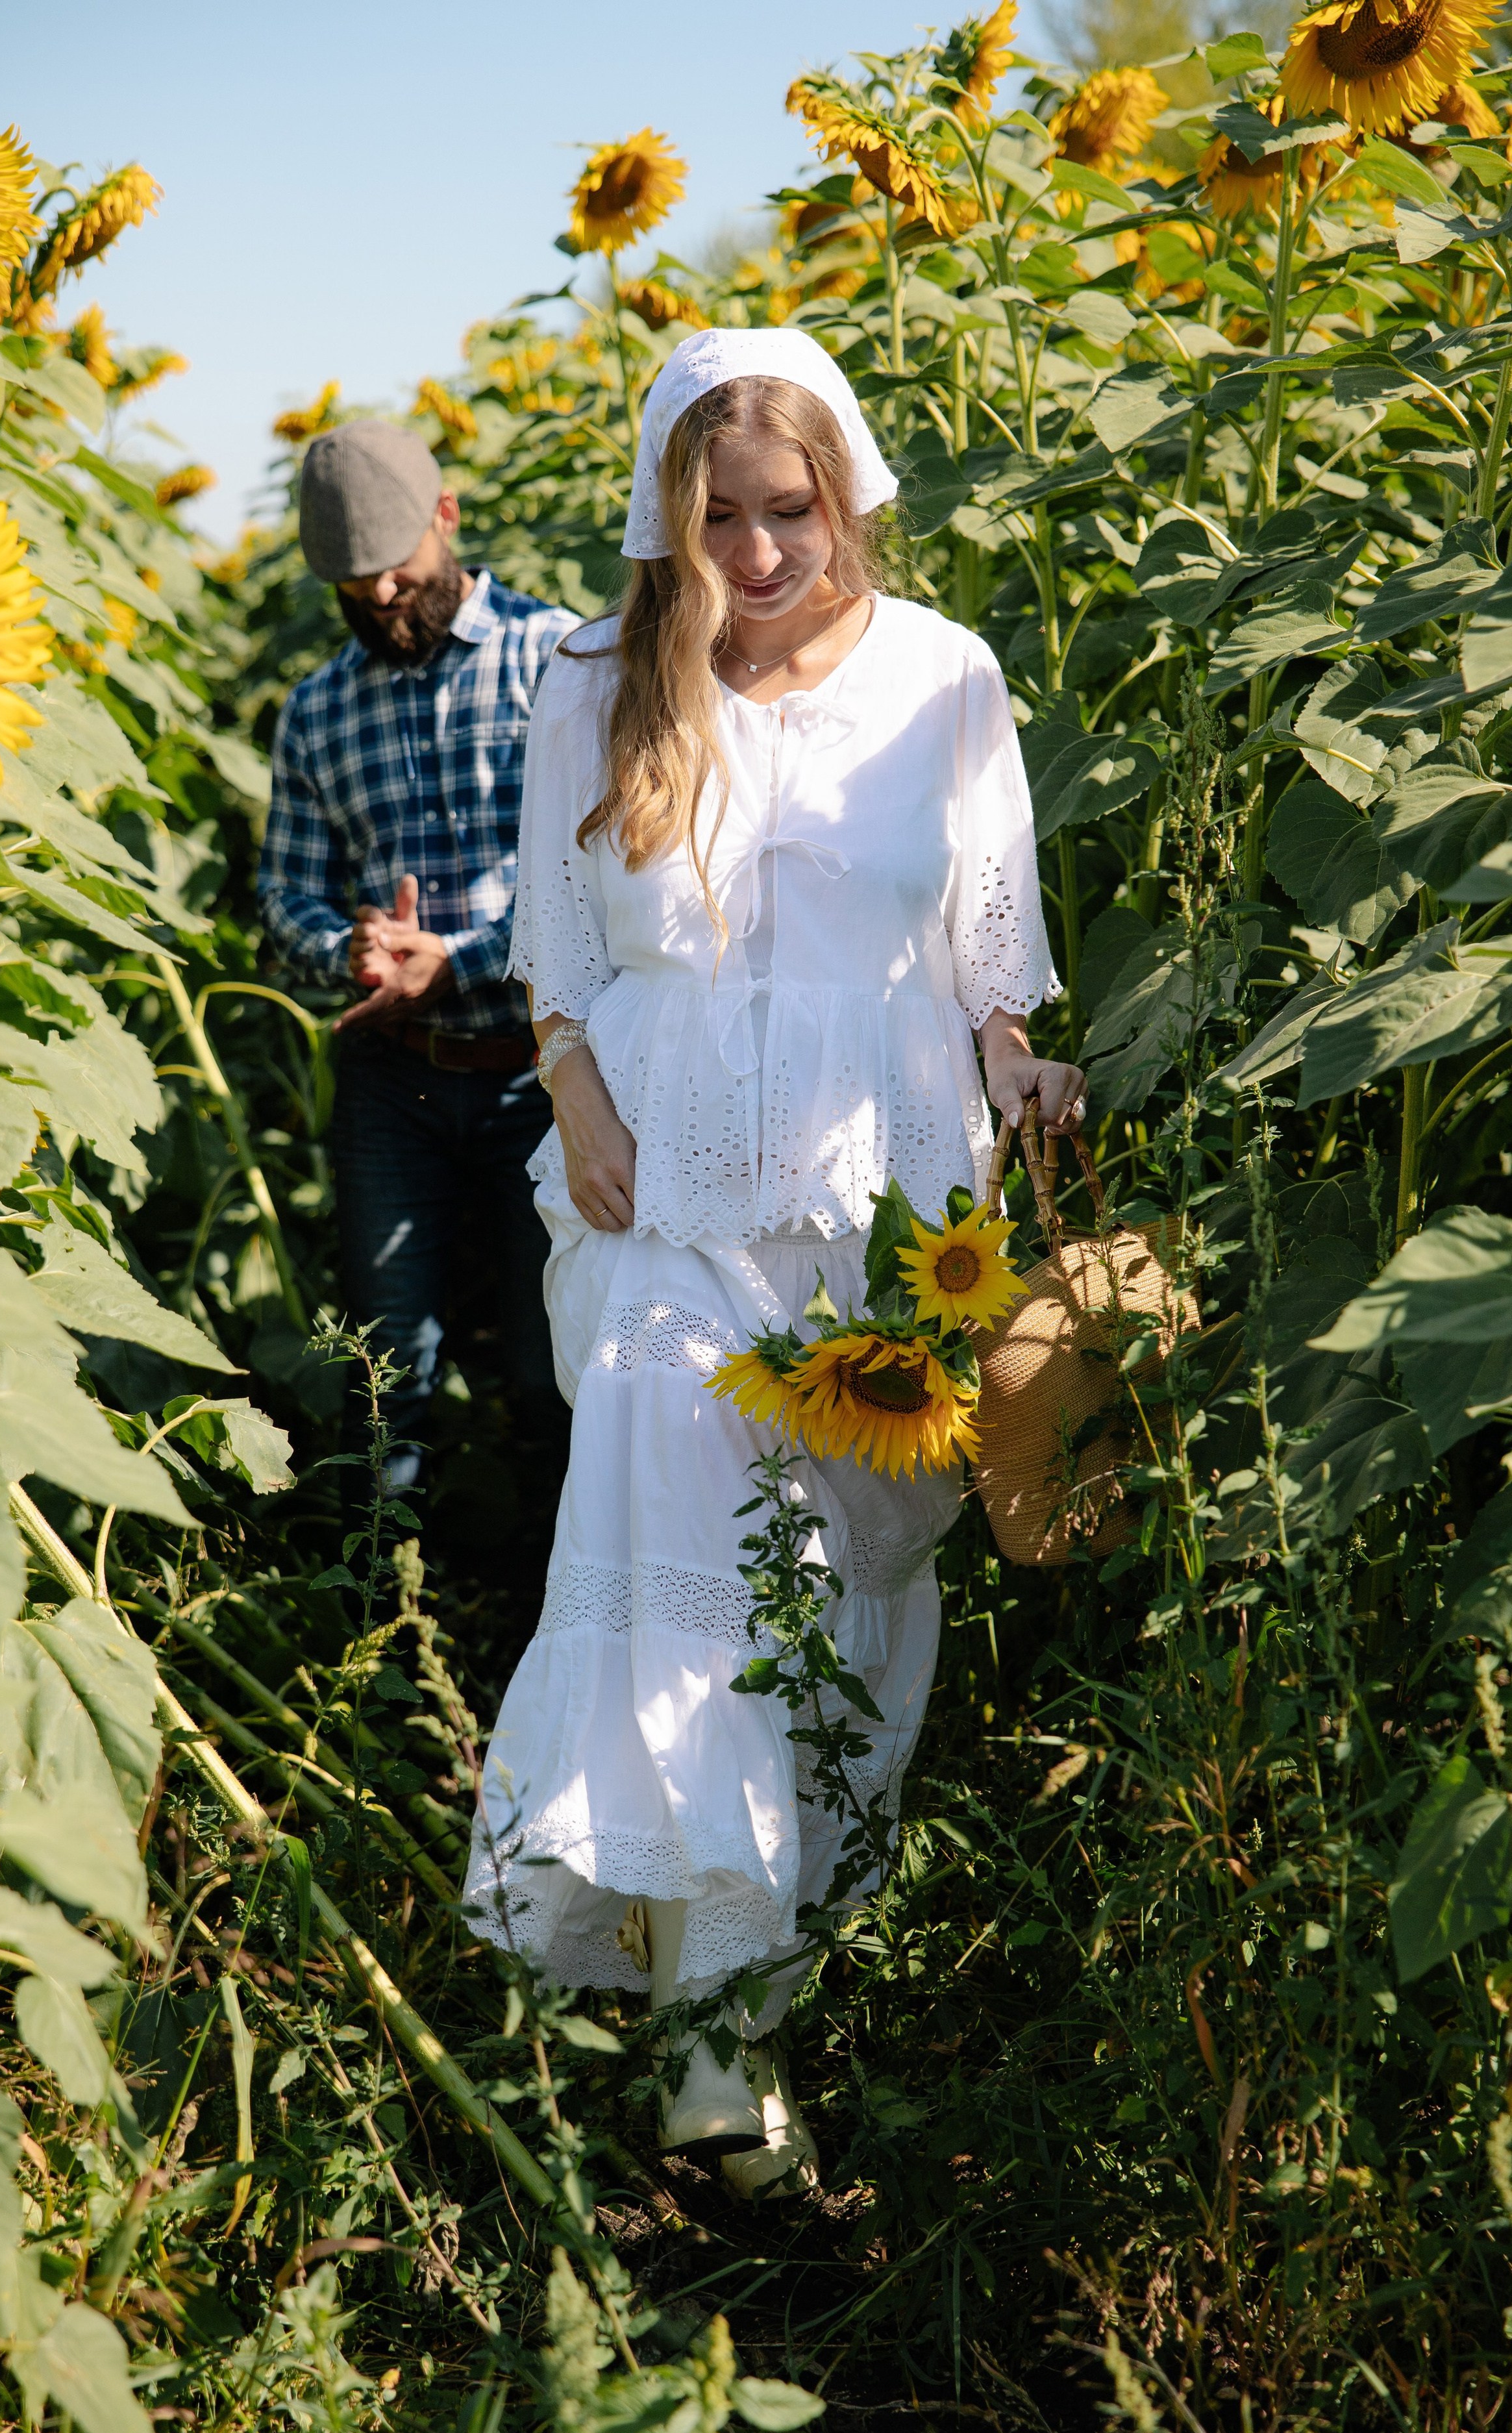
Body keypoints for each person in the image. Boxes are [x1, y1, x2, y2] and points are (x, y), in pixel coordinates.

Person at [462, 328, 1088, 2198]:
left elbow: (989, 959)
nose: (753, 553)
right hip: (658, 1206)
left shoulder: (943, 679)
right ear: (670, 516)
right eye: (717, 518)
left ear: (846, 500)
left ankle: (751, 1982)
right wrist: (575, 1098)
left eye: (786, 513)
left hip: (888, 1227)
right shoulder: (599, 680)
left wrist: (1024, 1067)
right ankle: (710, 2059)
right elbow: (558, 949)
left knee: (843, 1613)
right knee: (677, 1575)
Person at [258, 421, 578, 1483]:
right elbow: (286, 896)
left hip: (550, 1071)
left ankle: (556, 1575)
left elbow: (608, 876)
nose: (384, 595)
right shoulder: (315, 713)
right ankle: (387, 1579)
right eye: (356, 587)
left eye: (397, 569)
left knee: (555, 1362)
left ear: (447, 515)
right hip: (397, 1085)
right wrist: (352, 950)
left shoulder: (558, 661)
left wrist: (460, 959)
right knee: (384, 1374)